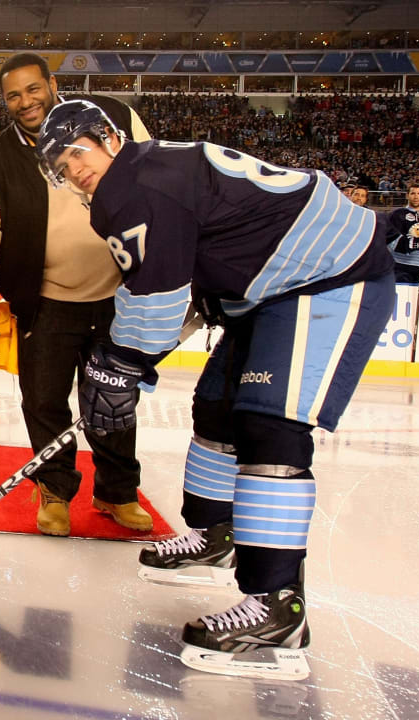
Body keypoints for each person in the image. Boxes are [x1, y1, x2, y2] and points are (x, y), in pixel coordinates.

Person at [38, 99, 394, 680]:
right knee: (216, 408)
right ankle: (213, 533)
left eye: (77, 152)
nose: (73, 169)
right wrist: (120, 362)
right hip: (271, 291)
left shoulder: (137, 185)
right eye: (60, 164)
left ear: (107, 137)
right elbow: (166, 285)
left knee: (269, 426)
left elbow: (154, 303)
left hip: (330, 276)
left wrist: (119, 363)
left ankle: (278, 608)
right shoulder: (143, 177)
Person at [0, 52, 153, 536]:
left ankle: (117, 493)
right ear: (3, 101)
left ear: (52, 84)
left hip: (118, 299)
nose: (25, 101)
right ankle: (54, 492)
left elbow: (152, 178)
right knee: (44, 402)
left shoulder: (112, 114)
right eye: (13, 95)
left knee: (114, 402)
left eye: (33, 89)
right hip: (46, 303)